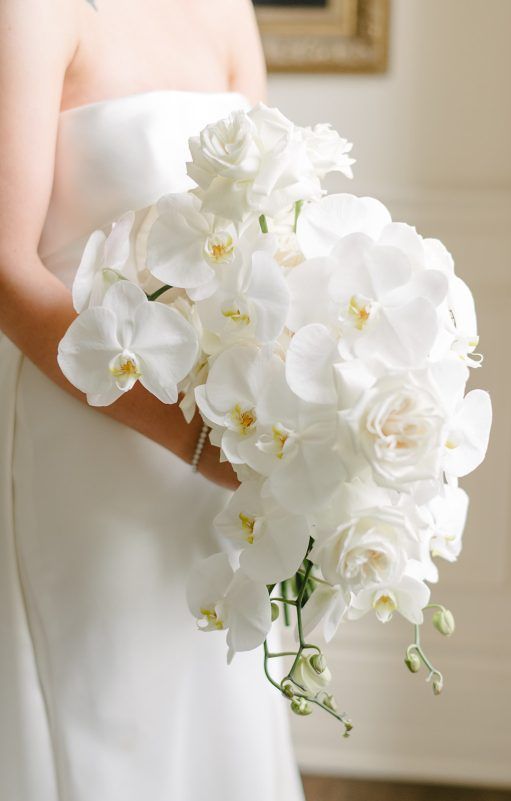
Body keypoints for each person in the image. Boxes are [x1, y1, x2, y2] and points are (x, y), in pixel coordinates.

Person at [0, 1, 305, 798]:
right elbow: (5, 265)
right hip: (96, 440)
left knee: (222, 697)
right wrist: (188, 437)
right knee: (113, 721)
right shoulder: (34, 12)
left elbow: (275, 234)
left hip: (229, 446)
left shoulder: (226, 11)